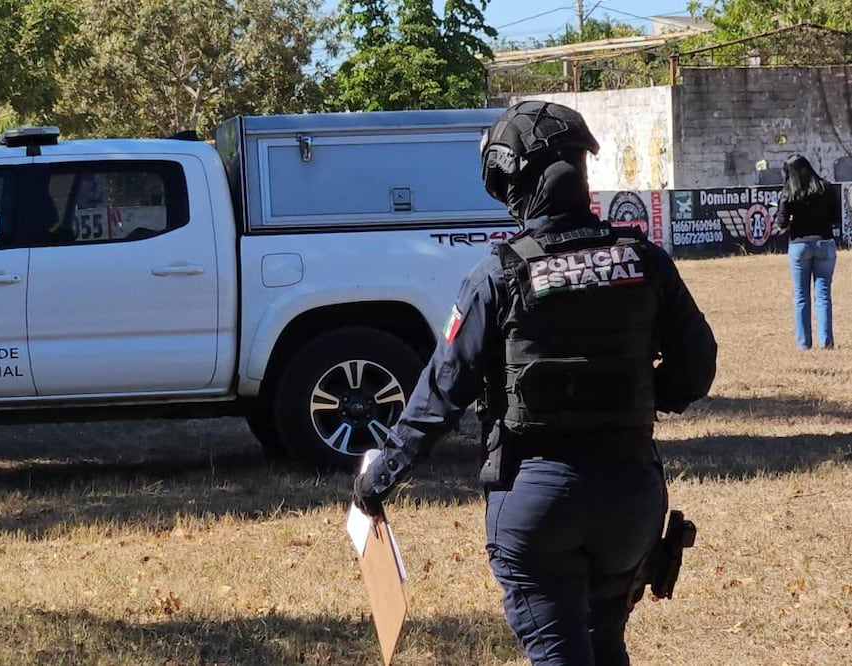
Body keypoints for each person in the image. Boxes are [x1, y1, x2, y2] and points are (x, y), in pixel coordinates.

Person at [353, 101, 718, 666]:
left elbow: (441, 392)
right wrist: (643, 397)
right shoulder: (646, 260)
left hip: (536, 501)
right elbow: (697, 369)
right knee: (606, 644)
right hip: (630, 500)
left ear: (512, 178)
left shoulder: (497, 276)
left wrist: (380, 476)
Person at [775, 154, 838, 349]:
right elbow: (835, 217)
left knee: (802, 296)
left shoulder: (788, 192)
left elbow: (781, 225)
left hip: (799, 245)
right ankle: (826, 342)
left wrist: (794, 221)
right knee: (823, 295)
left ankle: (804, 344)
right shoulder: (825, 187)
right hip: (824, 243)